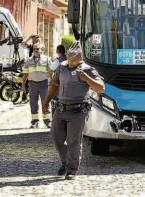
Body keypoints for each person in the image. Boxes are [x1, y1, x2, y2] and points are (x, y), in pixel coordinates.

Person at [43, 42, 105, 180]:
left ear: (80, 57)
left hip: (78, 110)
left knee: (73, 141)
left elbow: (101, 88)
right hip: (60, 108)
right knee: (56, 137)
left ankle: (71, 170)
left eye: (72, 60)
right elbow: (54, 84)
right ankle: (66, 163)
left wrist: (86, 78)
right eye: (68, 59)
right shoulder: (62, 67)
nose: (69, 62)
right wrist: (46, 101)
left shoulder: (88, 69)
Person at [22, 43, 52, 128]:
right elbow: (25, 74)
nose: (36, 50)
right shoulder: (28, 61)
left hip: (44, 83)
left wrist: (52, 83)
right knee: (33, 103)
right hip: (32, 84)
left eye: (37, 48)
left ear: (41, 49)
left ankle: (47, 121)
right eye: (34, 48)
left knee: (45, 103)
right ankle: (35, 122)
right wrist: (23, 85)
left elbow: (50, 72)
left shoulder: (47, 59)